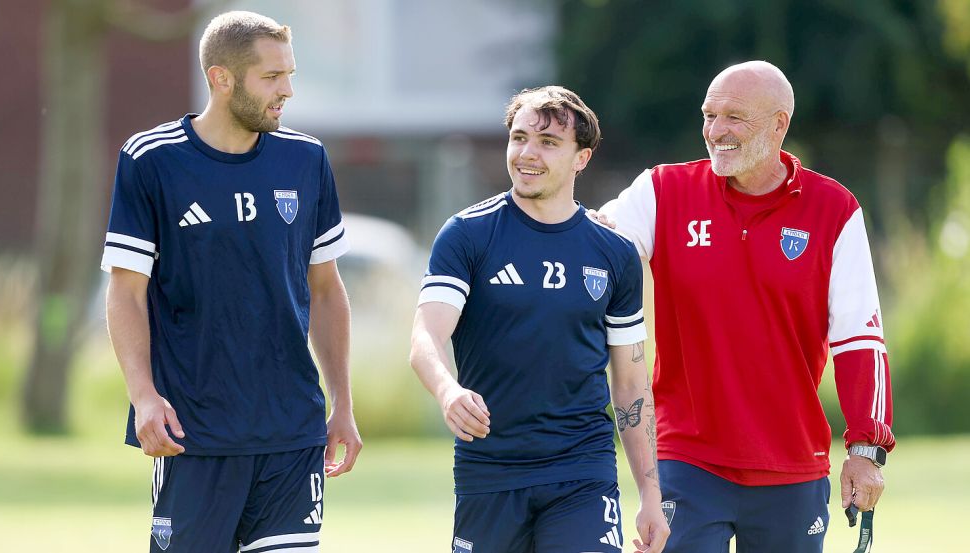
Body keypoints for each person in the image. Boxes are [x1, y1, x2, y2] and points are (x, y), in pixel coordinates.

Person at [599, 61, 894, 553]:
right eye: (709, 116)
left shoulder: (835, 210)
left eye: (734, 117)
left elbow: (860, 340)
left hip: (792, 463)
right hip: (685, 458)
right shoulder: (663, 190)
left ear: (780, 123)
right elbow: (600, 245)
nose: (716, 131)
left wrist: (866, 448)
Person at [101, 11, 361, 553]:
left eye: (289, 75)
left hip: (292, 432)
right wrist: (144, 396)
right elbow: (126, 291)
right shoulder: (152, 160)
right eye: (272, 78)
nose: (287, 90)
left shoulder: (306, 159)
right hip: (194, 435)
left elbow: (326, 289)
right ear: (222, 78)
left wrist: (342, 403)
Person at [409, 86, 670, 553]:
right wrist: (447, 390)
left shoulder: (614, 254)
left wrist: (651, 493)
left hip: (582, 471)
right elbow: (426, 334)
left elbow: (630, 383)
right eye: (519, 137)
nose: (528, 153)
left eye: (548, 142)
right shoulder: (468, 234)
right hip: (489, 470)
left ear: (581, 158)